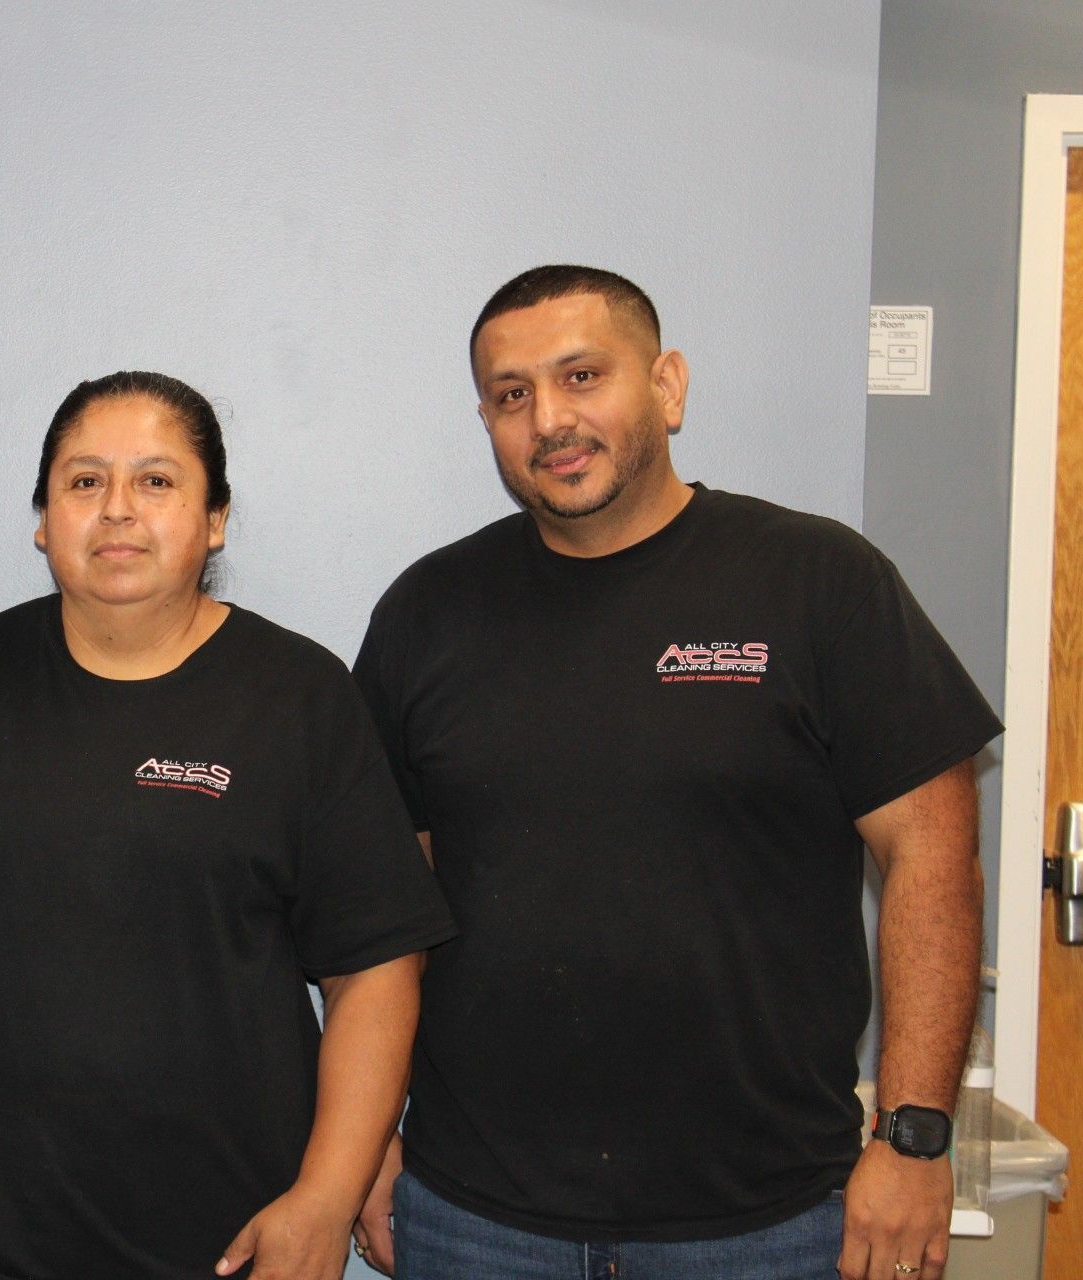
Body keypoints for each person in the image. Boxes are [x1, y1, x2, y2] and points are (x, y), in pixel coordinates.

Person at [349, 265, 1001, 1280]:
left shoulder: (819, 582)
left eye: (581, 375)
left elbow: (935, 854)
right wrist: (365, 1134)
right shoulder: (426, 614)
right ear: (487, 420)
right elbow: (381, 918)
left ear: (668, 385)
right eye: (512, 395)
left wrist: (915, 1135)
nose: (550, 419)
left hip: (771, 1218)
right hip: (475, 1216)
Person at [0, 371, 455, 1280]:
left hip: (229, 1241)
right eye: (84, 481)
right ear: (42, 517)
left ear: (214, 518)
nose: (117, 511)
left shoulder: (296, 697)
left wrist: (326, 1196)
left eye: (156, 481)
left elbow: (374, 971)